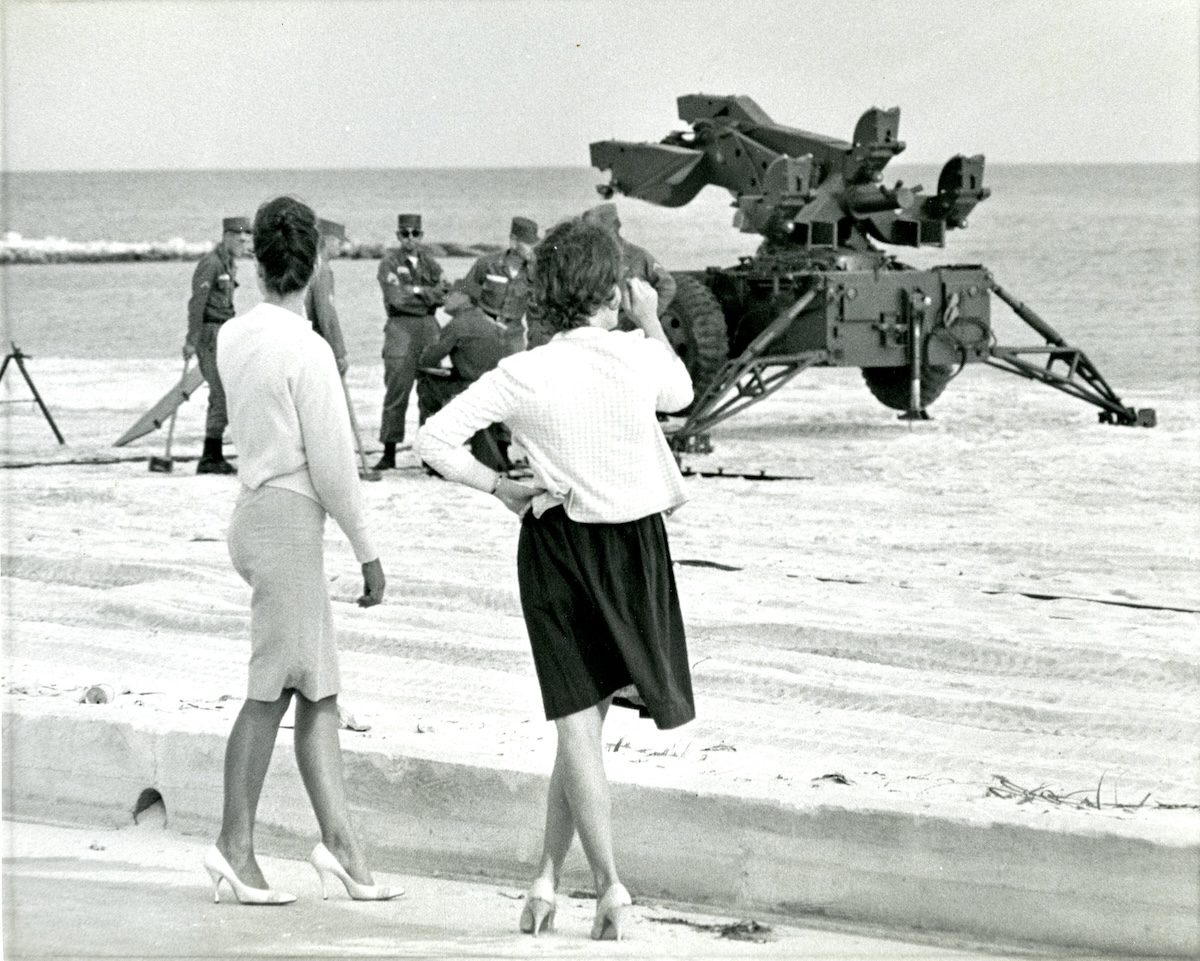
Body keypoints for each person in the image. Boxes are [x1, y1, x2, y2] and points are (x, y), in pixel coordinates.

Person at [416, 217, 696, 941]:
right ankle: (610, 888)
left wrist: (493, 486)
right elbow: (683, 393)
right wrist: (653, 317)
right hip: (633, 550)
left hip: (555, 548)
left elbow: (432, 439)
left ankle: (545, 881)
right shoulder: (636, 355)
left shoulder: (526, 371)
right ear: (610, 290)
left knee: (580, 726)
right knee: (582, 729)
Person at [205, 196, 397, 906]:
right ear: (314, 263)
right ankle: (234, 847)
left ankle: (342, 848)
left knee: (316, 687)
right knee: (273, 689)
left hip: (257, 510)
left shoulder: (233, 336)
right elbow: (334, 466)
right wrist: (369, 551)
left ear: (257, 261)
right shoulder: (308, 348)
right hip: (289, 519)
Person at [375, 213, 447, 470]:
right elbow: (396, 298)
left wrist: (416, 291)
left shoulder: (431, 263)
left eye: (415, 233)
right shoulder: (389, 263)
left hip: (429, 329)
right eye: (404, 233)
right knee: (397, 391)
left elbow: (445, 293)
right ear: (398, 236)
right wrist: (427, 295)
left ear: (421, 235)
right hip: (400, 329)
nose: (410, 238)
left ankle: (430, 455)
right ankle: (389, 451)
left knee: (431, 393)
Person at [417, 277, 511, 472]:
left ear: (464, 298)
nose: (446, 298)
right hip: (494, 389)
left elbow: (427, 359)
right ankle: (493, 454)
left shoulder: (458, 324)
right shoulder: (490, 323)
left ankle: (431, 457)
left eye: (451, 294)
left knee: (426, 386)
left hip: (470, 388)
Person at [185, 216, 253, 474]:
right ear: (226, 236)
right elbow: (197, 304)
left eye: (247, 238)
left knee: (224, 394)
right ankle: (209, 457)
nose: (243, 242)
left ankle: (213, 453)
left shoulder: (228, 263)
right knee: (221, 394)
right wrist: (192, 340)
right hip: (210, 333)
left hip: (224, 332)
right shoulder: (211, 263)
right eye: (238, 237)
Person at [581, 203, 677, 328]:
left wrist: (645, 318)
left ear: (615, 227)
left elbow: (667, 285)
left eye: (600, 230)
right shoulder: (585, 258)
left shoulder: (638, 256)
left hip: (629, 327)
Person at [460, 216, 538, 355]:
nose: (532, 250)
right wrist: (481, 320)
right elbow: (462, 296)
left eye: (534, 245)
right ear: (513, 241)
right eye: (528, 244)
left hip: (514, 337)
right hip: (483, 332)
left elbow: (537, 311)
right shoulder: (487, 264)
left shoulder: (534, 273)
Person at [305, 218, 350, 377]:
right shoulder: (321, 270)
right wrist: (338, 353)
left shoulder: (309, 266)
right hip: (316, 346)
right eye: (339, 242)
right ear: (328, 240)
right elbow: (326, 315)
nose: (341, 246)